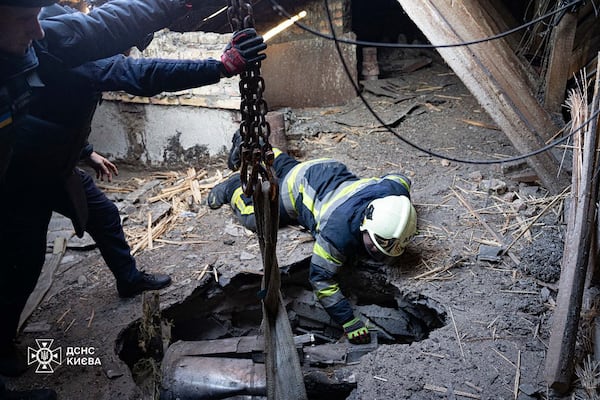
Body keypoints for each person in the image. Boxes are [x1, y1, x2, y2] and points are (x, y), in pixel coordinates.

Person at [0, 0, 266, 388]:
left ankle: (128, 278)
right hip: (26, 179)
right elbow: (140, 73)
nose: (131, 50)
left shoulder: (44, 32)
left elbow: (56, 109)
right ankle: (2, 343)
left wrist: (85, 151)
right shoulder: (72, 50)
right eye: (129, 43)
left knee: (105, 215)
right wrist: (219, 67)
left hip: (56, 162)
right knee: (22, 267)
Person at [208, 137, 417, 345]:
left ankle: (258, 147)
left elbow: (400, 178)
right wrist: (348, 321)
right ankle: (233, 186)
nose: (378, 252)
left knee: (290, 168)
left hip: (328, 167)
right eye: (375, 243)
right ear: (365, 222)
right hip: (300, 188)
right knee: (254, 216)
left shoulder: (395, 194)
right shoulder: (336, 232)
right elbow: (321, 281)